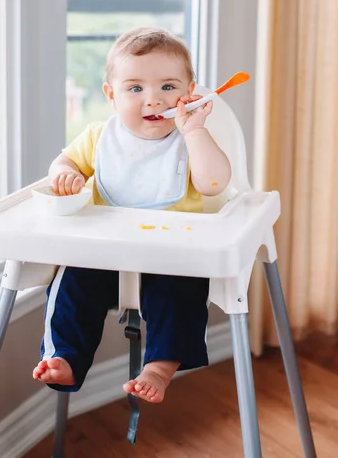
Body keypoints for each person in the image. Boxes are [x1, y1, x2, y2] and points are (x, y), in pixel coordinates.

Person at [33, 27, 231, 403]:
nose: (154, 100)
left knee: (182, 291)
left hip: (170, 258)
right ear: (112, 94)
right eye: (136, 88)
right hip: (105, 255)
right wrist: (64, 173)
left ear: (190, 92)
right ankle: (64, 356)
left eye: (168, 88)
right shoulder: (98, 137)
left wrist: (195, 131)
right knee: (71, 283)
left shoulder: (189, 141)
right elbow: (66, 160)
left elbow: (214, 183)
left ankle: (159, 366)